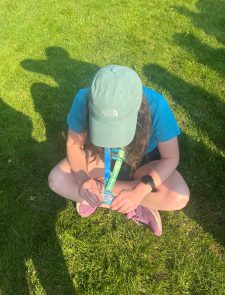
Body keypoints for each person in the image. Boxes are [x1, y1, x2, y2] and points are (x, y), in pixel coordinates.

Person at [48, 65, 190, 236]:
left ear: (139, 107)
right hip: (102, 155)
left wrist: (139, 192)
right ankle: (138, 203)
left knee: (178, 196)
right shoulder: (83, 99)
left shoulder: (157, 105)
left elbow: (171, 158)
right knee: (57, 179)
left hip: (143, 164)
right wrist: (82, 179)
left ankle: (100, 197)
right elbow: (73, 145)